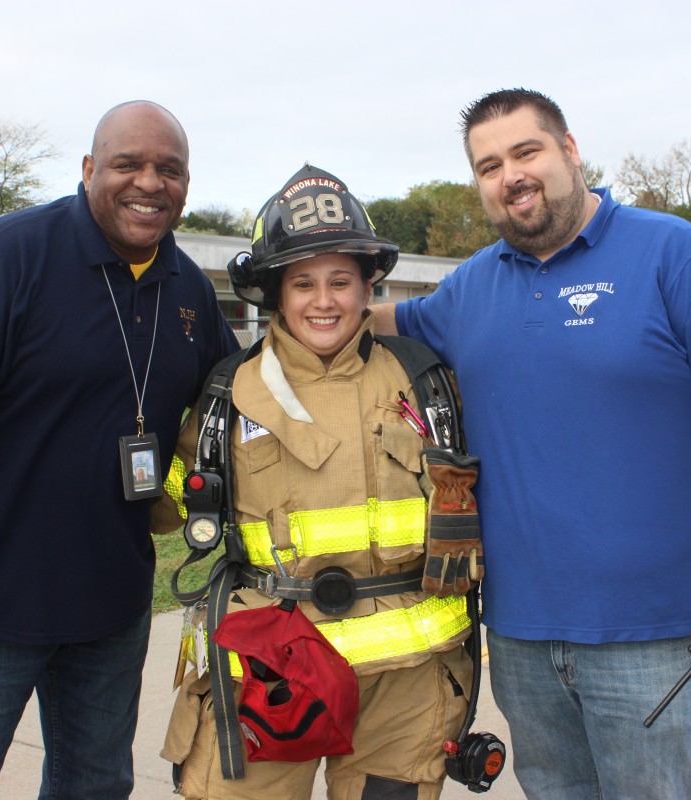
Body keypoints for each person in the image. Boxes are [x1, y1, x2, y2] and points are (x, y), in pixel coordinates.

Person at [370, 88, 691, 799]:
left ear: (570, 152)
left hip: (650, 634)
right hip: (519, 633)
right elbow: (369, 324)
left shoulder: (676, 255)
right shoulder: (472, 286)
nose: (511, 176)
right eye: (489, 165)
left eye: (526, 151)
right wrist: (303, 290)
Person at [0, 100, 240, 798]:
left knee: (96, 787)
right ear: (87, 169)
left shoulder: (186, 286)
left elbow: (242, 392)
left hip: (108, 607)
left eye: (170, 169)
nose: (149, 183)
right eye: (128, 164)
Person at [153, 164, 478, 800]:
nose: (323, 301)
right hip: (271, 667)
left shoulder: (424, 380)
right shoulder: (229, 392)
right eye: (303, 283)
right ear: (275, 293)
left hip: (407, 678)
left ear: (367, 288)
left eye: (340, 281)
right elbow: (168, 500)